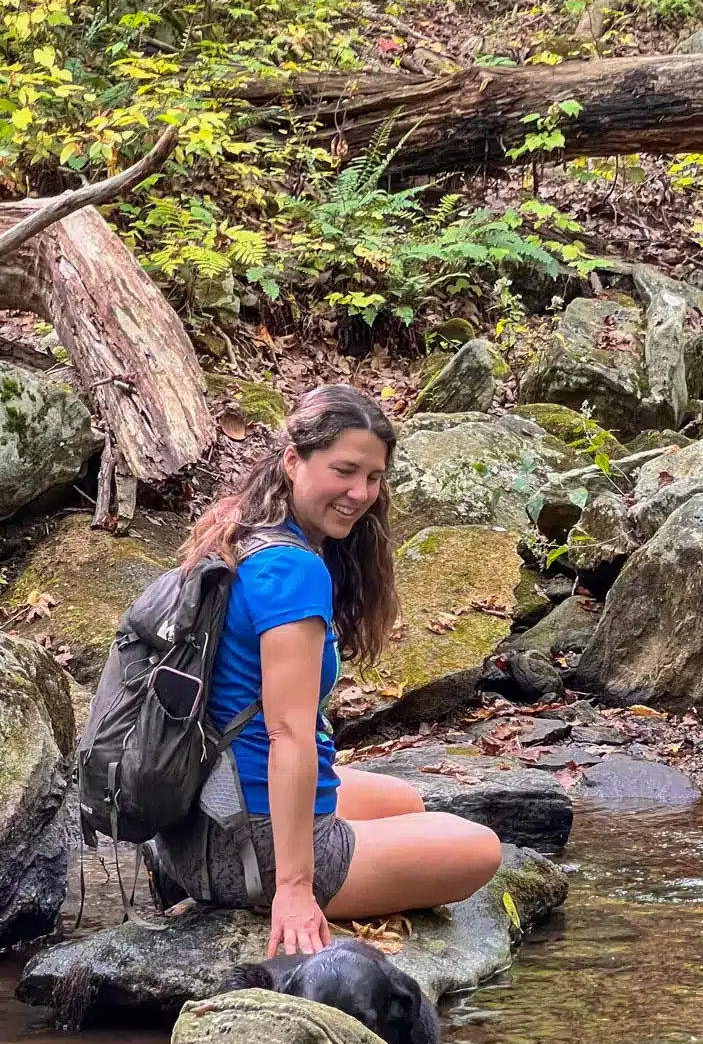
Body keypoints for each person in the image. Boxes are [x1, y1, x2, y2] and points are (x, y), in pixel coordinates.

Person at [161, 383, 502, 957]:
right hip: (251, 845)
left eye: (373, 477)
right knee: (482, 849)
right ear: (293, 459)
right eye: (344, 470)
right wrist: (295, 890)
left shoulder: (239, 528)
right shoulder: (292, 572)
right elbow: (287, 732)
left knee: (405, 802)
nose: (360, 493)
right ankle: (283, 881)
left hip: (197, 820)